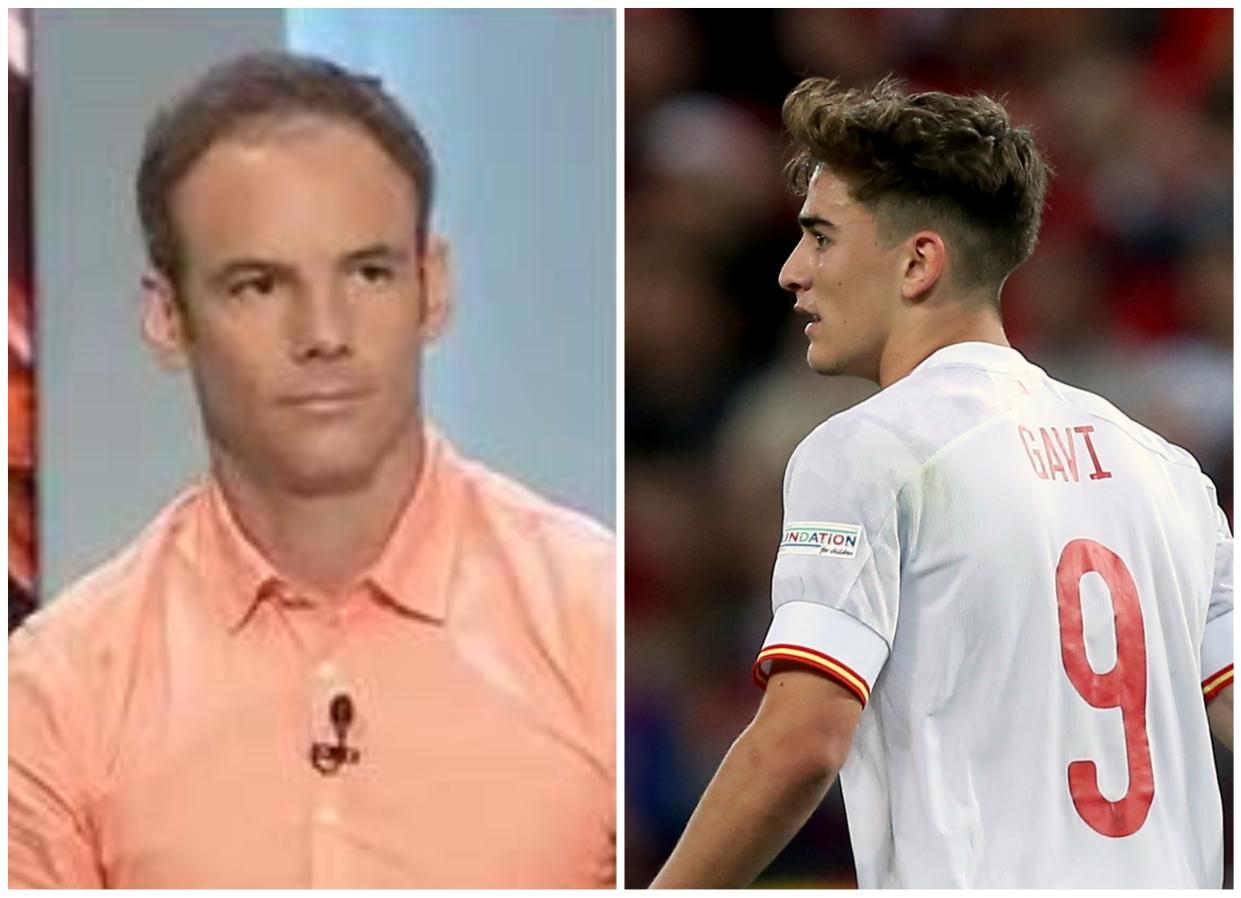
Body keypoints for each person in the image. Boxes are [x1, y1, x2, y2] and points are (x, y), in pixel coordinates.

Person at [9, 52, 615, 889]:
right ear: (167, 317)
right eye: (258, 286)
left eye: (367, 273)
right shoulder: (57, 689)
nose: (325, 332)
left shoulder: (592, 625)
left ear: (430, 287)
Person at [651, 76, 1232, 889]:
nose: (790, 272)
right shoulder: (1168, 470)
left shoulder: (865, 451)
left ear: (918, 262)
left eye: (820, 238)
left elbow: (799, 744)